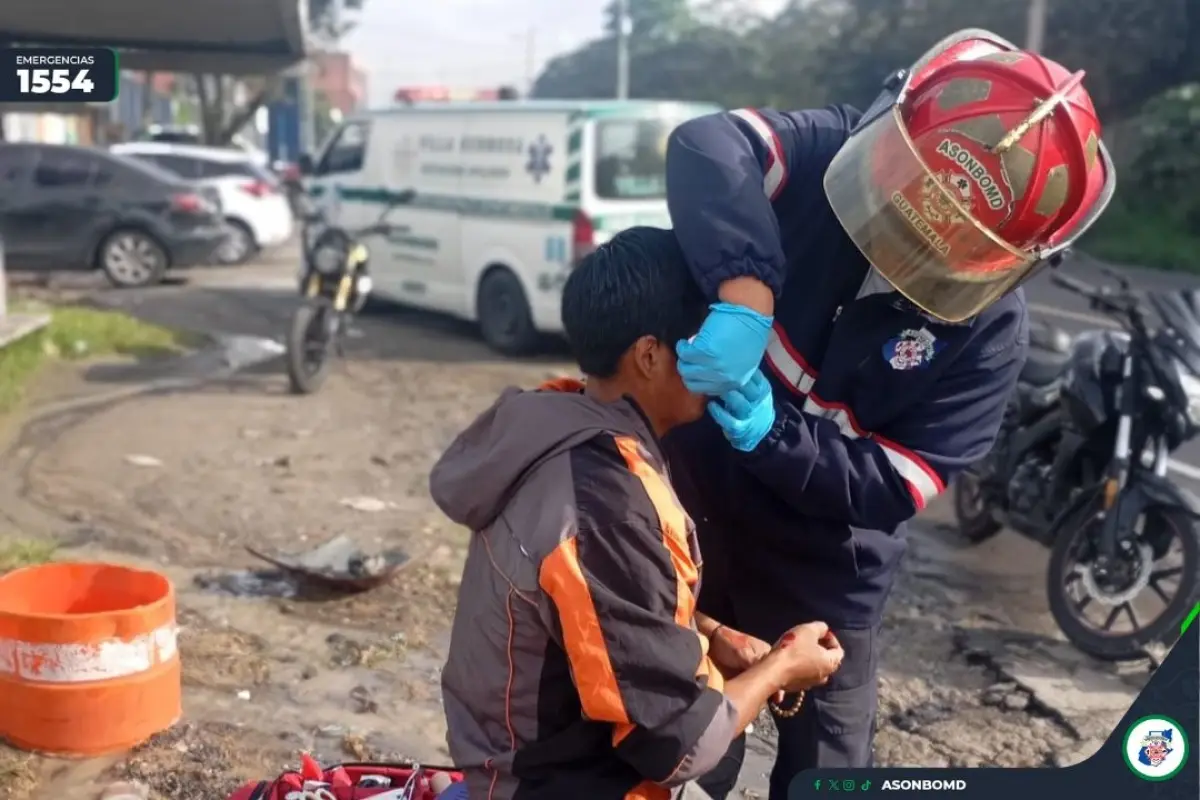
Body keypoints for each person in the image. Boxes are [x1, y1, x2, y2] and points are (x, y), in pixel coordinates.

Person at [659, 29, 1117, 799]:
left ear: (1016, 256)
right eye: (912, 203)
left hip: (824, 573)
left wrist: (771, 432)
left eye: (953, 240)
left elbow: (890, 487)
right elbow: (707, 146)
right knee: (662, 732)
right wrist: (745, 291)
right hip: (688, 513)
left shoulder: (990, 335)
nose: (913, 242)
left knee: (830, 773)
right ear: (895, 136)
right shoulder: (828, 153)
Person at [431, 227, 846, 800]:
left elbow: (585, 606)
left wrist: (712, 633)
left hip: (508, 757)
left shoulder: (560, 424)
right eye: (705, 342)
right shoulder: (608, 503)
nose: (721, 364)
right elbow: (680, 745)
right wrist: (782, 670)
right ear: (650, 356)